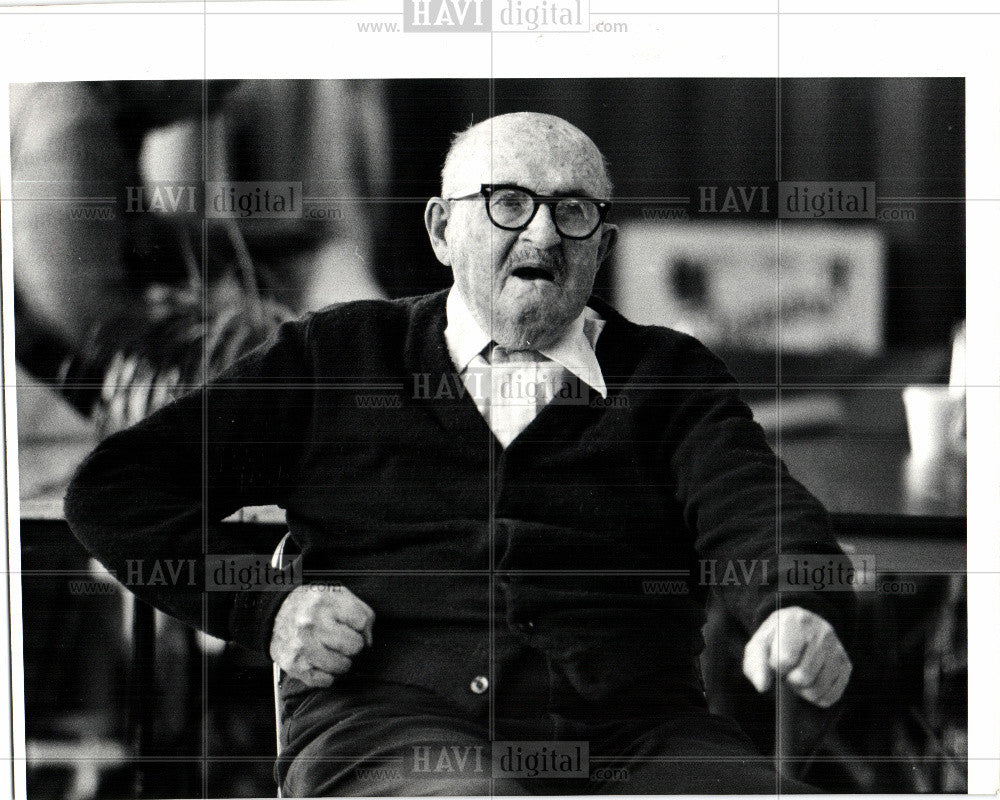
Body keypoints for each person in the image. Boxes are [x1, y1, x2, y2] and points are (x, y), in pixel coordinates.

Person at [66, 112, 854, 796]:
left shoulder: (669, 376)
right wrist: (264, 607)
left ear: (601, 244)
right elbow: (120, 490)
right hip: (391, 733)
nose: (543, 233)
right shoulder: (338, 357)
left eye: (572, 210)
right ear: (444, 229)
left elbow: (754, 506)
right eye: (508, 203)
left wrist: (796, 604)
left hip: (638, 739)